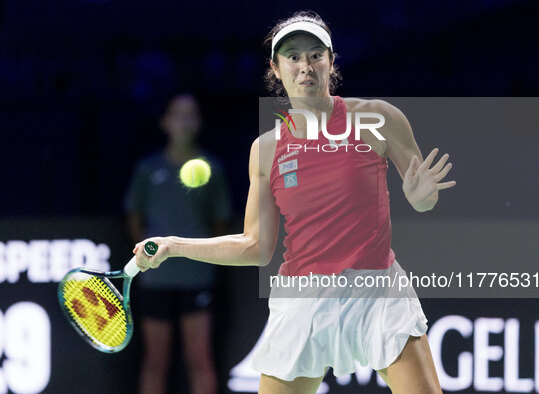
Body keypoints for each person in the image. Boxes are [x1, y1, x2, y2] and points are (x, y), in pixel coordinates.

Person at [133, 12, 455, 394]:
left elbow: (423, 199)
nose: (305, 66)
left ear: (331, 62)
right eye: (293, 56)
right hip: (304, 299)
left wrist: (423, 198)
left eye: (316, 55)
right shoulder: (266, 150)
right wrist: (174, 246)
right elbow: (256, 246)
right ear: (276, 67)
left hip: (377, 291)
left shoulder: (378, 118)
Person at [124, 93, 232, 394]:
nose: (184, 121)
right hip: (156, 279)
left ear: (199, 122)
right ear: (165, 121)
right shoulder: (148, 169)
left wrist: (205, 256)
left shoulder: (213, 168)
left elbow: (221, 223)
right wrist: (147, 258)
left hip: (196, 277)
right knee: (155, 361)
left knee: (199, 359)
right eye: (178, 114)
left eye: (191, 114)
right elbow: (134, 219)